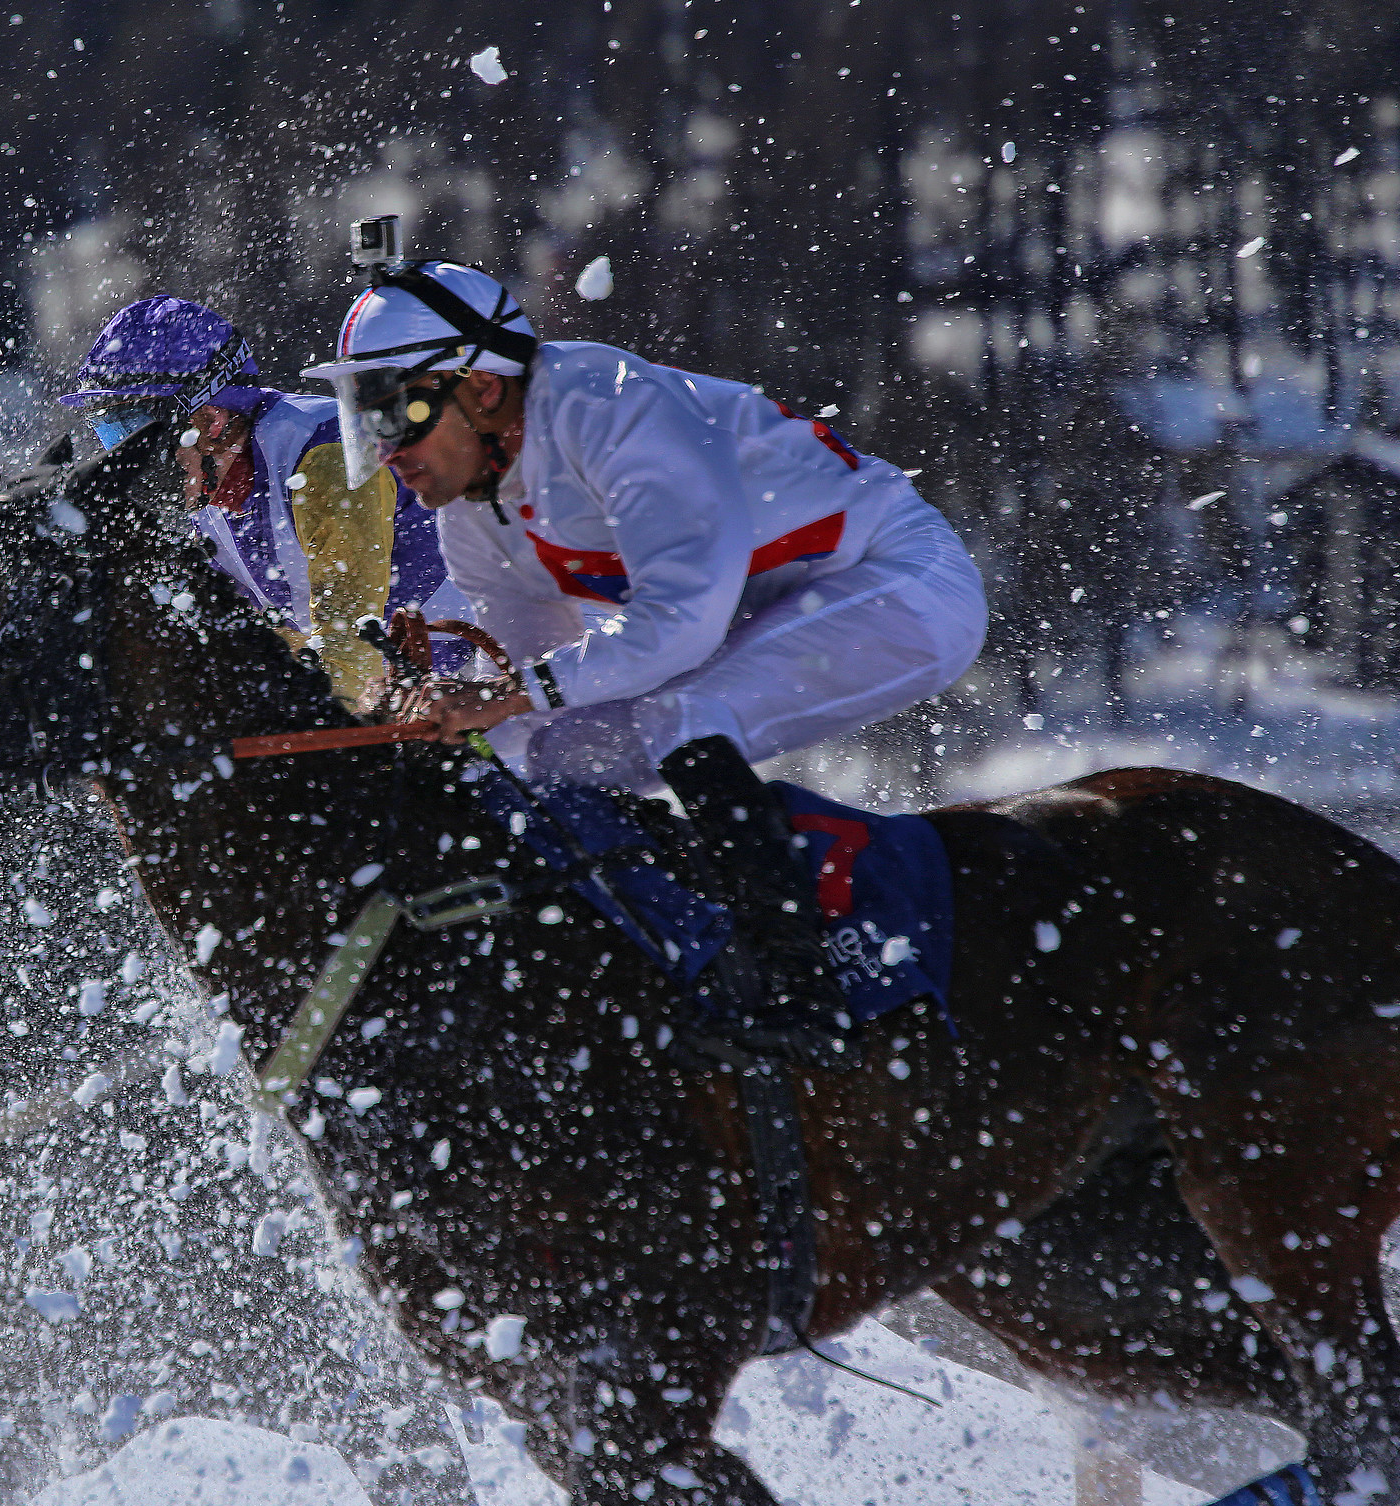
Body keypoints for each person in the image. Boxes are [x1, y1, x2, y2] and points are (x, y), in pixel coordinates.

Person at [304, 251, 987, 1066]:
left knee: (684, 715)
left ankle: (804, 993)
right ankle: (682, 941)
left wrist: (512, 694)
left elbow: (683, 623)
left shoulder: (606, 406)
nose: (385, 450)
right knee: (549, 760)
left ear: (483, 388)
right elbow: (531, 686)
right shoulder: (471, 514)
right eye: (368, 420)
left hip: (900, 583)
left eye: (398, 413)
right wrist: (453, 715)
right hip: (766, 611)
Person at [60, 295, 467, 700]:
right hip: (398, 694)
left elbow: (349, 648)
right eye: (109, 433)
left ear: (211, 420)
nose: (128, 455)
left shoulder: (327, 458)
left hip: (470, 683)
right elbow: (244, 645)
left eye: (135, 430)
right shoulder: (208, 486)